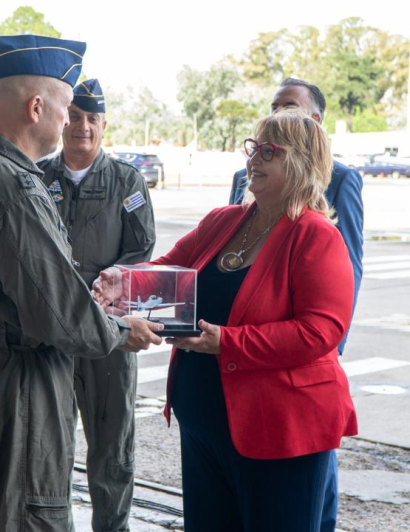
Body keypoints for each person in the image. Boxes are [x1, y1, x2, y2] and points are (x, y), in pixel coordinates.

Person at [0, 35, 164, 532]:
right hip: (18, 394)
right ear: (37, 107)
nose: (68, 120)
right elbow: (58, 312)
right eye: (64, 107)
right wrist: (125, 332)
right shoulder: (15, 187)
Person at [96, 110, 358, 532]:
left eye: (269, 151)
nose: (254, 159)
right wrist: (121, 283)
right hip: (205, 421)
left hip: (279, 430)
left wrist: (229, 342)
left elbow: (321, 331)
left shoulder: (315, 235)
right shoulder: (225, 220)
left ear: (303, 163)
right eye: (254, 147)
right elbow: (169, 270)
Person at [228, 78, 364, 532]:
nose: (258, 155)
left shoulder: (339, 182)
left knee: (306, 502)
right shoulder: (241, 183)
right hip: (239, 368)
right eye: (274, 107)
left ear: (314, 124)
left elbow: (348, 265)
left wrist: (325, 347)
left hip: (302, 365)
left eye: (291, 109)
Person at [38, 78, 156, 532]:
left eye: (93, 119)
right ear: (63, 120)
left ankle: (113, 526)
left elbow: (142, 250)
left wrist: (102, 287)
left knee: (112, 444)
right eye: (76, 117)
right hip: (52, 333)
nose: (83, 126)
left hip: (110, 333)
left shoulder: (127, 181)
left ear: (103, 125)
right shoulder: (39, 176)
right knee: (50, 444)